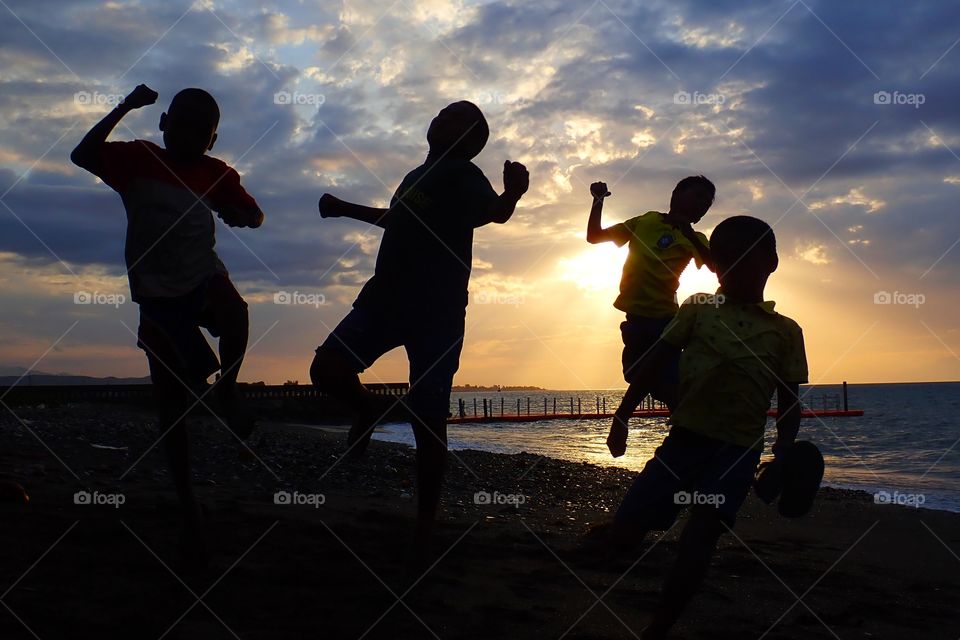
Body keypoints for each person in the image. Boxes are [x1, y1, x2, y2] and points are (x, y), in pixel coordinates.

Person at [310, 101, 529, 556]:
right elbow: (402, 222)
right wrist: (343, 209)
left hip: (438, 311)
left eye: (455, 119)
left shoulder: (463, 174)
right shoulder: (414, 176)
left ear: (470, 142)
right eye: (443, 113)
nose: (440, 119)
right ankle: (367, 409)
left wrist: (513, 194)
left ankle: (424, 528)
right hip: (385, 296)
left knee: (428, 420)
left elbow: (494, 213)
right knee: (326, 369)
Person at [70, 84, 265, 565]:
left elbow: (255, 215)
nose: (190, 135)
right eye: (181, 123)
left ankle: (230, 387)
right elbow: (82, 154)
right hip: (158, 297)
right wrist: (125, 106)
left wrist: (240, 214)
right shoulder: (136, 160)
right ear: (163, 125)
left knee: (236, 312)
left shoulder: (215, 173)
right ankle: (189, 514)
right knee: (173, 411)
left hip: (202, 275)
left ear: (212, 140)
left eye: (202, 131)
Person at [603, 215, 808, 638]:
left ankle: (659, 627)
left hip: (736, 453)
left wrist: (784, 450)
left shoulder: (786, 332)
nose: (735, 266)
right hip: (683, 443)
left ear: (771, 262)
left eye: (747, 258)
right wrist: (622, 416)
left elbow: (789, 404)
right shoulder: (698, 308)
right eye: (725, 258)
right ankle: (618, 541)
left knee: (700, 537)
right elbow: (654, 362)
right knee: (625, 533)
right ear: (714, 264)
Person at [585, 176, 715, 457]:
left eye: (707, 204)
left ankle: (627, 422)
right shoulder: (645, 221)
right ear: (676, 194)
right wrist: (597, 201)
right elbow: (594, 236)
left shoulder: (696, 239)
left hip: (666, 320)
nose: (702, 205)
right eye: (698, 197)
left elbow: (718, 267)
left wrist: (689, 233)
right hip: (635, 319)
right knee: (647, 378)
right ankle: (691, 448)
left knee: (659, 378)